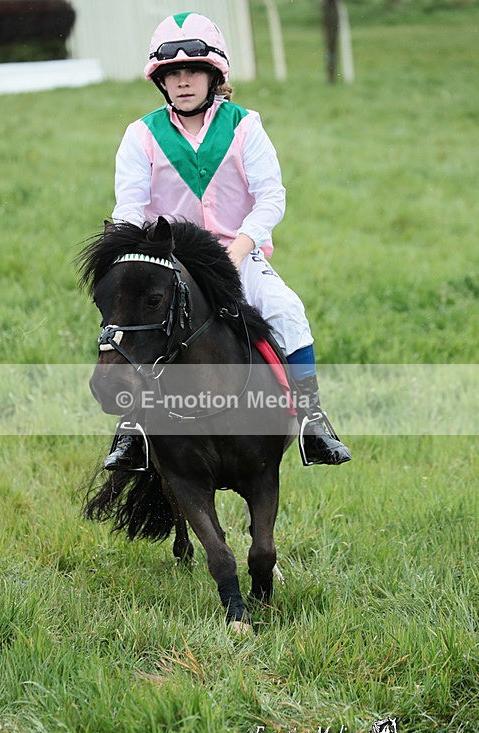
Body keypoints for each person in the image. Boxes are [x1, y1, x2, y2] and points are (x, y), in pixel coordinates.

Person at [104, 11, 351, 471]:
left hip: (236, 253)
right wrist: (131, 251)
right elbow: (130, 205)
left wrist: (240, 247)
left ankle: (312, 420)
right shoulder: (140, 135)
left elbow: (271, 196)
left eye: (193, 70)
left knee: (287, 310)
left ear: (214, 75)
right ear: (161, 81)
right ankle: (131, 428)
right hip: (169, 258)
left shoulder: (245, 125)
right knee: (130, 324)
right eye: (172, 73)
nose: (182, 81)